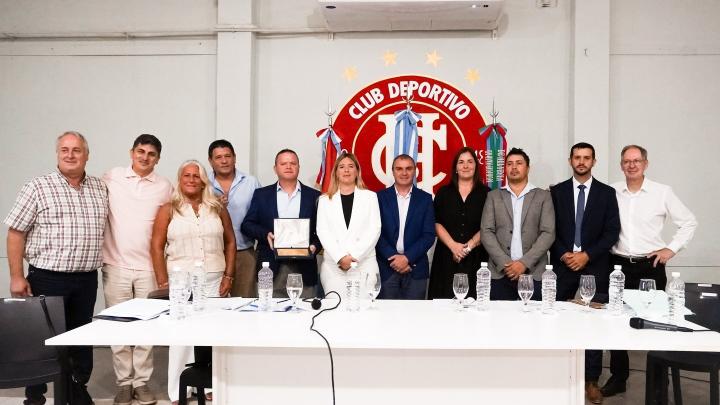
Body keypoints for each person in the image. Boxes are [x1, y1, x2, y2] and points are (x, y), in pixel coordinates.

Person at [4, 131, 108, 405]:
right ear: (57, 154)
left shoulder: (100, 188)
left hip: (86, 279)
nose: (70, 155)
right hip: (47, 278)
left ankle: (76, 391)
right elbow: (15, 233)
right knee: (40, 340)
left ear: (87, 155)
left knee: (81, 339)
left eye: (76, 150)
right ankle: (35, 397)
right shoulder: (37, 187)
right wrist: (16, 276)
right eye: (65, 150)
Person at [602, 145, 698, 398]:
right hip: (618, 265)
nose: (631, 165)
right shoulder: (611, 191)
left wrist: (671, 249)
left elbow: (689, 222)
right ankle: (618, 377)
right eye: (627, 161)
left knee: (656, 322)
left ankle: (658, 381)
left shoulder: (662, 192)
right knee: (617, 321)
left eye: (636, 160)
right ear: (621, 165)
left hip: (650, 265)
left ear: (645, 164)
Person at [149, 160, 236, 405]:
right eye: (186, 175)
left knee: (213, 333)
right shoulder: (168, 209)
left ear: (203, 181)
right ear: (180, 179)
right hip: (181, 280)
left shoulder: (217, 208)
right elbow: (156, 246)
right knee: (181, 336)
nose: (191, 179)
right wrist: (163, 282)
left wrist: (229, 275)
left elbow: (230, 242)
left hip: (214, 278)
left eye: (196, 176)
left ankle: (209, 384)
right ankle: (179, 390)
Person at [102, 134, 172, 405]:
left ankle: (141, 383)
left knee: (146, 329)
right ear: (132, 152)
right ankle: (123, 384)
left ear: (158, 158)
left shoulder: (165, 186)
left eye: (151, 154)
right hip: (116, 265)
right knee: (118, 328)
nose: (145, 157)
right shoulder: (112, 177)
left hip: (149, 268)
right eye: (140, 151)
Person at [549, 142, 620, 404]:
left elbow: (612, 231)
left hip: (595, 265)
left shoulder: (607, 193)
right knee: (556, 318)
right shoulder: (556, 192)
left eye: (586, 158)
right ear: (570, 160)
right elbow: (549, 228)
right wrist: (564, 254)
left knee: (593, 325)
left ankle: (591, 380)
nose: (581, 162)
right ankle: (558, 374)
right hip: (563, 264)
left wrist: (587, 255)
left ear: (594, 161)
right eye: (577, 157)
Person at [241, 149, 321, 298]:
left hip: (304, 268)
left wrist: (315, 246)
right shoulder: (262, 195)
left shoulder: (314, 196)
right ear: (275, 168)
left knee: (304, 310)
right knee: (269, 311)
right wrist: (266, 234)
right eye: (283, 163)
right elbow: (247, 225)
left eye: (293, 163)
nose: (288, 166)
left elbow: (323, 230)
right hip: (270, 266)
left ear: (299, 167)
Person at [480, 147, 555, 300]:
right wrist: (506, 264)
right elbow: (486, 231)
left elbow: (548, 233)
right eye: (509, 164)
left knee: (534, 315)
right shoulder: (493, 196)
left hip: (534, 273)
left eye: (519, 163)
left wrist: (524, 263)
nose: (514, 167)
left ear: (528, 168)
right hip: (500, 273)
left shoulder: (543, 196)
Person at [316, 152, 381, 297]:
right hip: (334, 267)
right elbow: (323, 231)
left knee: (364, 308)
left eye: (351, 166)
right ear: (336, 172)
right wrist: (341, 258)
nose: (346, 170)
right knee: (334, 307)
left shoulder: (371, 197)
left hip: (364, 265)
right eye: (342, 167)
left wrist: (353, 258)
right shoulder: (324, 200)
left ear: (357, 171)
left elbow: (374, 230)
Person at [428, 147, 489, 299]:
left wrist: (467, 248)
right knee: (443, 305)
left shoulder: (488, 194)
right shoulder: (443, 192)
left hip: (477, 258)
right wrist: (453, 246)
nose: (465, 166)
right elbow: (436, 222)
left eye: (470, 162)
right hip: (446, 257)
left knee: (474, 305)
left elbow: (489, 226)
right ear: (455, 168)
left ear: (476, 166)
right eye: (461, 162)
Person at [375, 155, 436, 299]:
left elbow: (428, 235)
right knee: (386, 313)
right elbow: (375, 233)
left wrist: (407, 258)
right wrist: (395, 260)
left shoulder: (426, 199)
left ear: (415, 171)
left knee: (414, 313)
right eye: (399, 169)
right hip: (387, 269)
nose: (404, 173)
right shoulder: (379, 198)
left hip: (416, 269)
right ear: (393, 171)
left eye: (408, 168)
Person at [207, 140, 260, 297]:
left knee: (245, 302)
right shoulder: (203, 183)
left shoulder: (251, 182)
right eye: (218, 157)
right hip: (211, 253)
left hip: (244, 252)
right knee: (213, 302)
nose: (224, 161)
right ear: (210, 161)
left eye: (228, 156)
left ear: (234, 158)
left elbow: (260, 216)